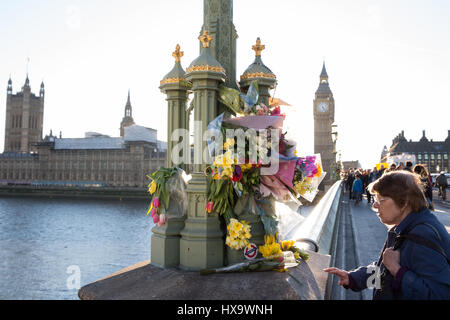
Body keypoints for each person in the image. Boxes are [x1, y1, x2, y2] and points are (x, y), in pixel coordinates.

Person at [324, 170, 450, 300]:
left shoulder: (423, 236)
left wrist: (397, 270)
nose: (375, 204)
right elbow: (385, 271)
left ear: (404, 202)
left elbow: (440, 295)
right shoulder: (404, 228)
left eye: (381, 200)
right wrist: (353, 279)